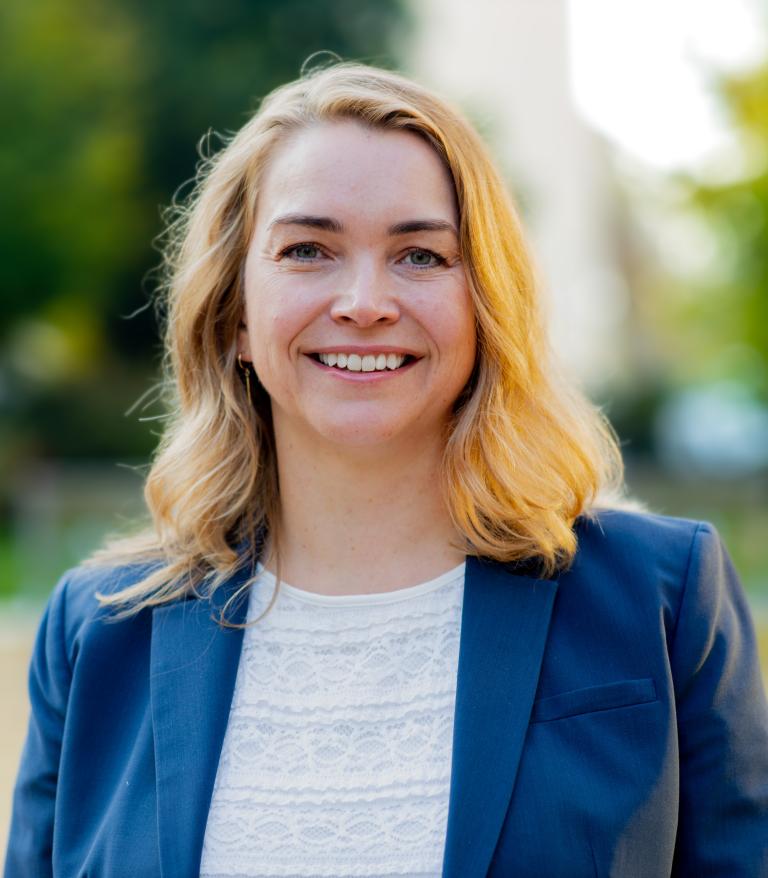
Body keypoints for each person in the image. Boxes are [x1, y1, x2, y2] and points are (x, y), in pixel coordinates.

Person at [4, 61, 768, 878]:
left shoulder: (660, 597)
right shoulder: (98, 633)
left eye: (421, 257)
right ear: (233, 314)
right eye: (307, 250)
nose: (365, 301)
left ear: (486, 306)